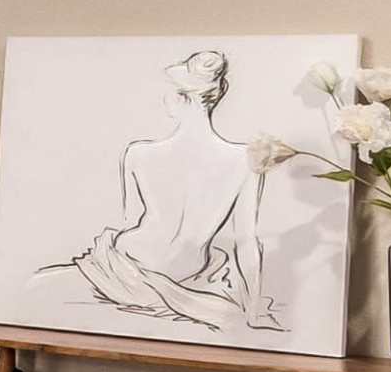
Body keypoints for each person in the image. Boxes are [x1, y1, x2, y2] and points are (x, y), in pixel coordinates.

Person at [47, 49, 284, 333]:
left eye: (169, 92)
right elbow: (246, 240)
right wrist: (254, 308)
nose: (164, 99)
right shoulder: (243, 161)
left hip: (127, 264)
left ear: (182, 97)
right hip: (185, 270)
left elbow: (129, 220)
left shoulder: (138, 154)